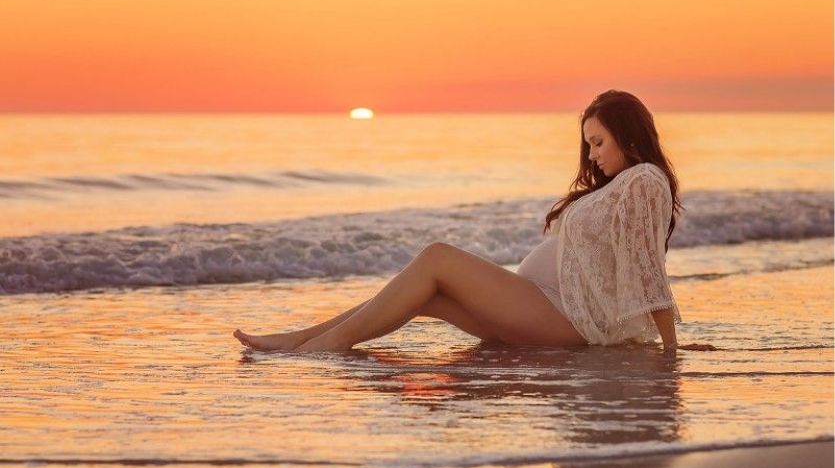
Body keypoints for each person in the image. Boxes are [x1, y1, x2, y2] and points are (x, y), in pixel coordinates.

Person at [234, 90, 703, 356]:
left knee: (437, 257)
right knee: (423, 295)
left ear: (627, 133)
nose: (594, 157)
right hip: (547, 312)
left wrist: (670, 349)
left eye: (599, 143)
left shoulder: (643, 180)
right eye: (590, 146)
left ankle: (321, 347)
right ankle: (303, 338)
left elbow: (644, 266)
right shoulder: (623, 184)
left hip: (566, 317)